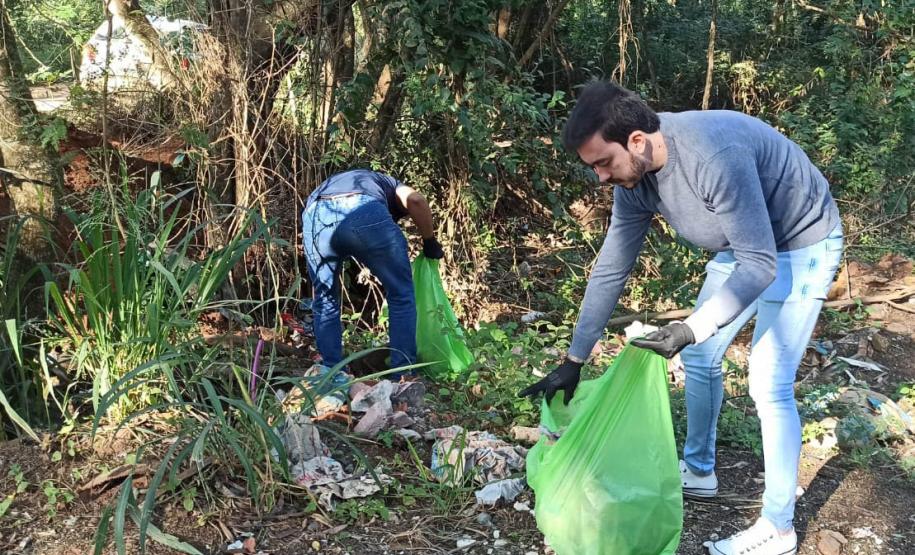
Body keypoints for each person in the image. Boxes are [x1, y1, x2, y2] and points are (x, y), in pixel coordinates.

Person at [519, 81, 843, 555]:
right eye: (593, 169)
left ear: (636, 140)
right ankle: (700, 470)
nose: (601, 179)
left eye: (603, 163)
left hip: (800, 241)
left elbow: (761, 264)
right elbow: (613, 265)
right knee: (701, 357)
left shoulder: (713, 156)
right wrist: (574, 357)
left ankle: (778, 526)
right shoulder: (636, 178)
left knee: (768, 382)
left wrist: (691, 326)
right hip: (743, 245)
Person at [301, 169, 444, 375]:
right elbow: (416, 200)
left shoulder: (356, 179)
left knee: (325, 300)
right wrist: (429, 240)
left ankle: (331, 373)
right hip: (363, 210)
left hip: (315, 215)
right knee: (401, 294)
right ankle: (402, 375)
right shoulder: (392, 184)